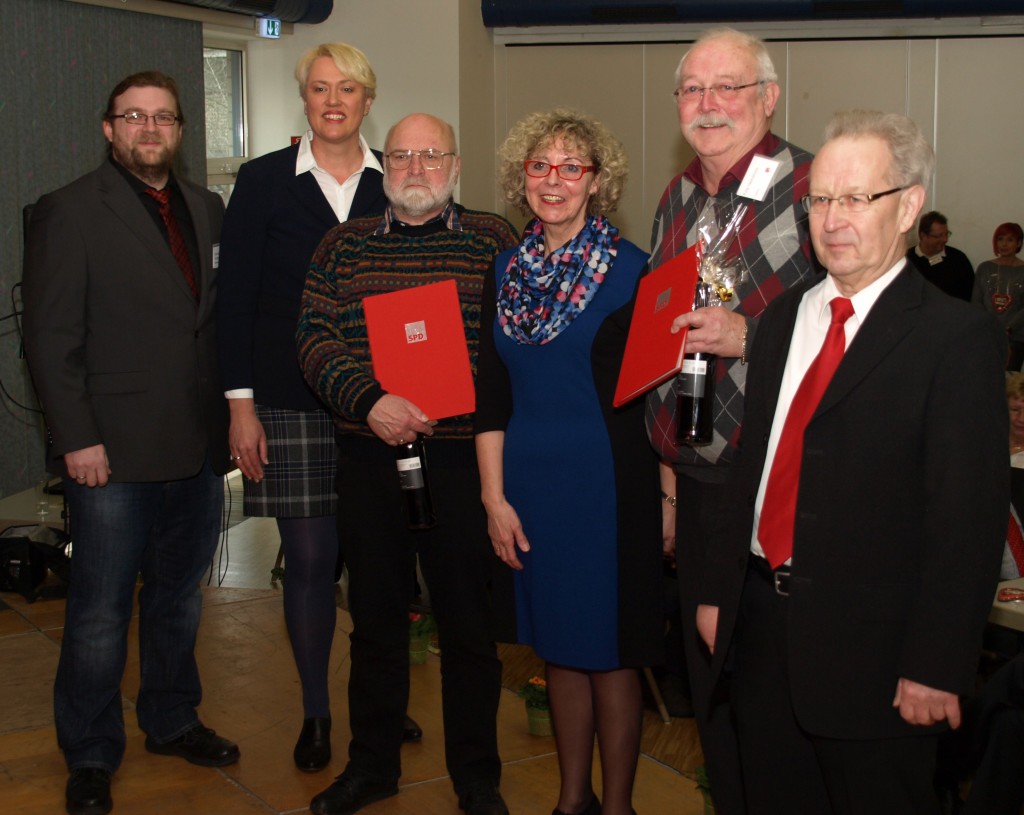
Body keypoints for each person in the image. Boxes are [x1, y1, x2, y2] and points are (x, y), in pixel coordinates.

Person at [698, 109, 1007, 813]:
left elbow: (968, 520)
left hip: (879, 658)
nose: (833, 218)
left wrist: (936, 665)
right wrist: (721, 591)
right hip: (762, 636)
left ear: (909, 206)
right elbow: (752, 468)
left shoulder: (956, 339)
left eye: (857, 198)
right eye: (821, 199)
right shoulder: (781, 319)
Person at [22, 71, 237, 815]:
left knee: (178, 600)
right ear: (109, 129)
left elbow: (208, 325)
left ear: (179, 129)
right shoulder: (69, 211)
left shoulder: (207, 208)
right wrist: (76, 438)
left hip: (197, 449)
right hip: (109, 455)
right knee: (99, 611)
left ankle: (172, 718)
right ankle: (88, 749)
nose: (150, 128)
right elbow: (50, 340)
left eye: (164, 117)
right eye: (133, 116)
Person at [296, 113, 517, 815]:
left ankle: (477, 776)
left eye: (430, 155)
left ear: (455, 164)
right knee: (376, 620)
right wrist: (370, 400)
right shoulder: (342, 245)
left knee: (468, 628)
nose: (415, 168)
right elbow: (312, 337)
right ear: (380, 164)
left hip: (461, 462)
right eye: (400, 155)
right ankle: (372, 766)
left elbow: (519, 345)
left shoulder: (494, 240)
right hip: (371, 454)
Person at [216, 42, 425, 773]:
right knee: (309, 558)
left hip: (381, 402)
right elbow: (234, 297)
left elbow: (417, 286)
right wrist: (239, 407)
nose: (333, 101)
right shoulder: (263, 181)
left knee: (380, 558)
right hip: (287, 396)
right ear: (303, 98)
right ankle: (315, 710)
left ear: (369, 101)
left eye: (348, 89)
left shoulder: (396, 178)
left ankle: (381, 699)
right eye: (319, 88)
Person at [643, 27, 819, 814]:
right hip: (702, 481)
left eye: (729, 88)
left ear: (768, 97)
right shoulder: (677, 197)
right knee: (711, 700)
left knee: (773, 708)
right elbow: (658, 351)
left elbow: (858, 333)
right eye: (692, 89)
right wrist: (670, 489)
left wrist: (748, 336)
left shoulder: (815, 187)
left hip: (782, 490)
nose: (708, 105)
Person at [475, 109, 663, 815]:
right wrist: (494, 499)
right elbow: (490, 397)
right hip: (529, 488)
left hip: (610, 489)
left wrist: (670, 501)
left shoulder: (636, 270)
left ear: (597, 181)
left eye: (570, 167)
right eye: (539, 166)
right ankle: (569, 799)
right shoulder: (503, 271)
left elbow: (659, 400)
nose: (553, 181)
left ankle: (617, 806)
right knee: (557, 647)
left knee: (610, 650)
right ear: (522, 178)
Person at [972, 223, 1024, 370]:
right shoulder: (985, 268)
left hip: (1015, 338)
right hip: (986, 335)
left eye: (1010, 240)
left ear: (1019, 243)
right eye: (1000, 239)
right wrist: (989, 326)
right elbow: (976, 301)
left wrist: (1008, 327)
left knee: (1009, 382)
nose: (1004, 244)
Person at [905, 210, 974, 301]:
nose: (945, 239)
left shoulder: (959, 259)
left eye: (946, 234)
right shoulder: (906, 260)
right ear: (923, 236)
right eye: (938, 236)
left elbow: (970, 295)